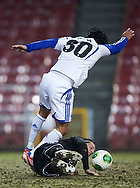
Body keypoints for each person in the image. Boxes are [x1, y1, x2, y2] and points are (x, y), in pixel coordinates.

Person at [11, 27, 135, 157]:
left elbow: (50, 42)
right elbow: (117, 48)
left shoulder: (70, 40)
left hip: (48, 78)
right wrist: (125, 37)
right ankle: (35, 155)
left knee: (42, 114)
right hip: (62, 84)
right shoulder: (98, 48)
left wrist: (28, 47)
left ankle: (28, 149)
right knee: (62, 128)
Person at [24, 136, 98, 176]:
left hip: (41, 168)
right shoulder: (76, 141)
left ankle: (58, 164)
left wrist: (73, 172)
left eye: (93, 151)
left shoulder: (75, 159)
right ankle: (60, 153)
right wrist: (86, 168)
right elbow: (82, 145)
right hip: (42, 153)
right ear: (85, 142)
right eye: (91, 147)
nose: (91, 151)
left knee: (61, 169)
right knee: (54, 150)